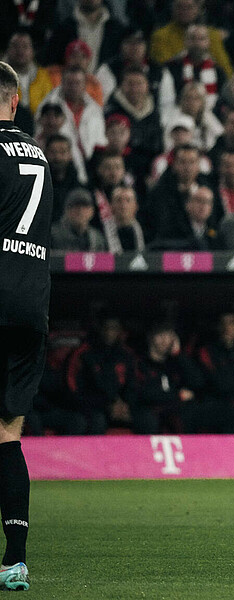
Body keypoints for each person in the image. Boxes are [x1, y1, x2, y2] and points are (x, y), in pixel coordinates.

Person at [0, 60, 51, 591]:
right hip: (31, 303)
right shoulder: (38, 155)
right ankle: (14, 558)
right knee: (7, 433)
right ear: (16, 101)